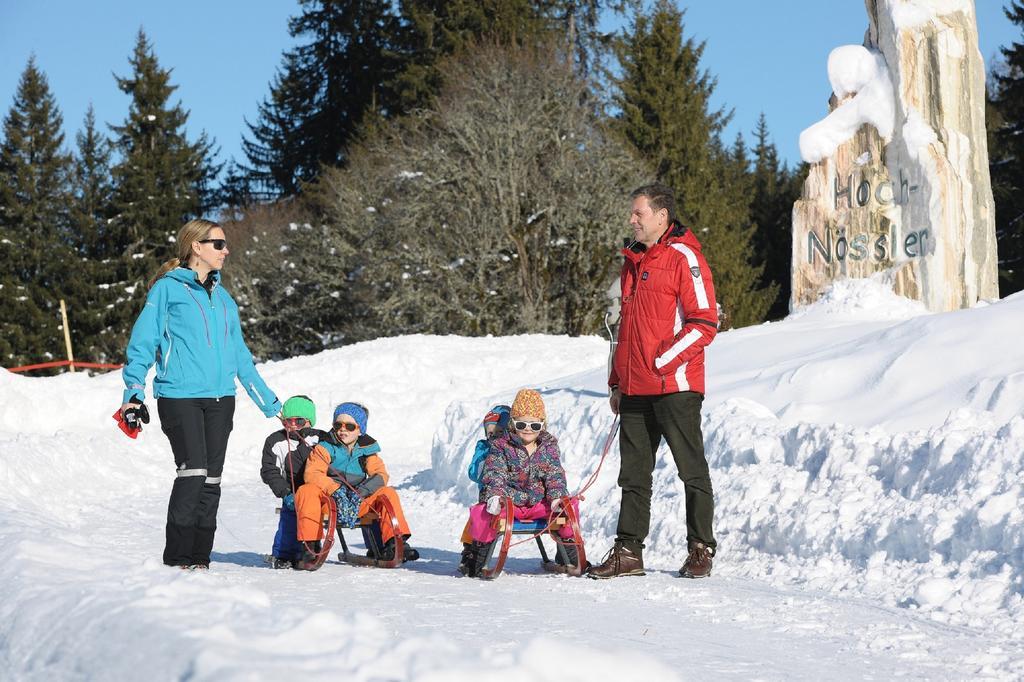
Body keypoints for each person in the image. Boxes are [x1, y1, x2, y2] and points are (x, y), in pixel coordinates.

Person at [120, 218, 281, 570]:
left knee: (211, 480)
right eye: (218, 244)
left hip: (221, 399)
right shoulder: (166, 290)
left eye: (225, 245)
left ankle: (199, 559)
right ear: (196, 246)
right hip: (179, 396)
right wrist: (133, 392)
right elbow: (143, 343)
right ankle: (177, 560)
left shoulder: (225, 301)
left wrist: (272, 405)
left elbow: (241, 358)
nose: (226, 250)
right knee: (192, 471)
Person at [587, 184, 719, 580]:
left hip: (674, 385)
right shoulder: (632, 261)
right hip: (633, 389)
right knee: (633, 474)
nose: (632, 219)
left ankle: (700, 549)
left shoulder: (685, 258)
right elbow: (624, 329)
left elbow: (704, 323)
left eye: (638, 213)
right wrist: (617, 380)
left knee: (690, 469)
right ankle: (628, 551)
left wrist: (662, 362)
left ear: (662, 216)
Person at [459, 389, 579, 577]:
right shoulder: (501, 446)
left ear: (543, 424)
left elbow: (555, 474)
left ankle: (570, 554)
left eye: (535, 424)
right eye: (522, 423)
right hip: (510, 503)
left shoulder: (548, 447)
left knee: (569, 505)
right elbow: (495, 473)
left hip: (538, 503)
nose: (528, 428)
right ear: (513, 424)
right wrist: (495, 496)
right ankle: (479, 554)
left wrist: (557, 497)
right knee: (483, 512)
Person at [293, 402, 418, 569]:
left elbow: (381, 475)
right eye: (338, 425)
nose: (342, 430)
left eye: (349, 426)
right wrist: (335, 489)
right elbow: (312, 473)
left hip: (357, 501)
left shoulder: (366, 450)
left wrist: (361, 492)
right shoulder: (325, 447)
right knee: (306, 490)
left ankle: (395, 542)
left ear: (360, 429)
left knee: (387, 493)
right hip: (329, 504)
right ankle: (309, 546)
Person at [259, 395, 330, 569]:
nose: (292, 425)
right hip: (292, 491)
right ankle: (283, 554)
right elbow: (270, 471)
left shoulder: (323, 439)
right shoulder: (276, 441)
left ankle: (310, 546)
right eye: (287, 421)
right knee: (289, 517)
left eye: (298, 421)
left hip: (320, 492)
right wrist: (285, 493)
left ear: (309, 421)